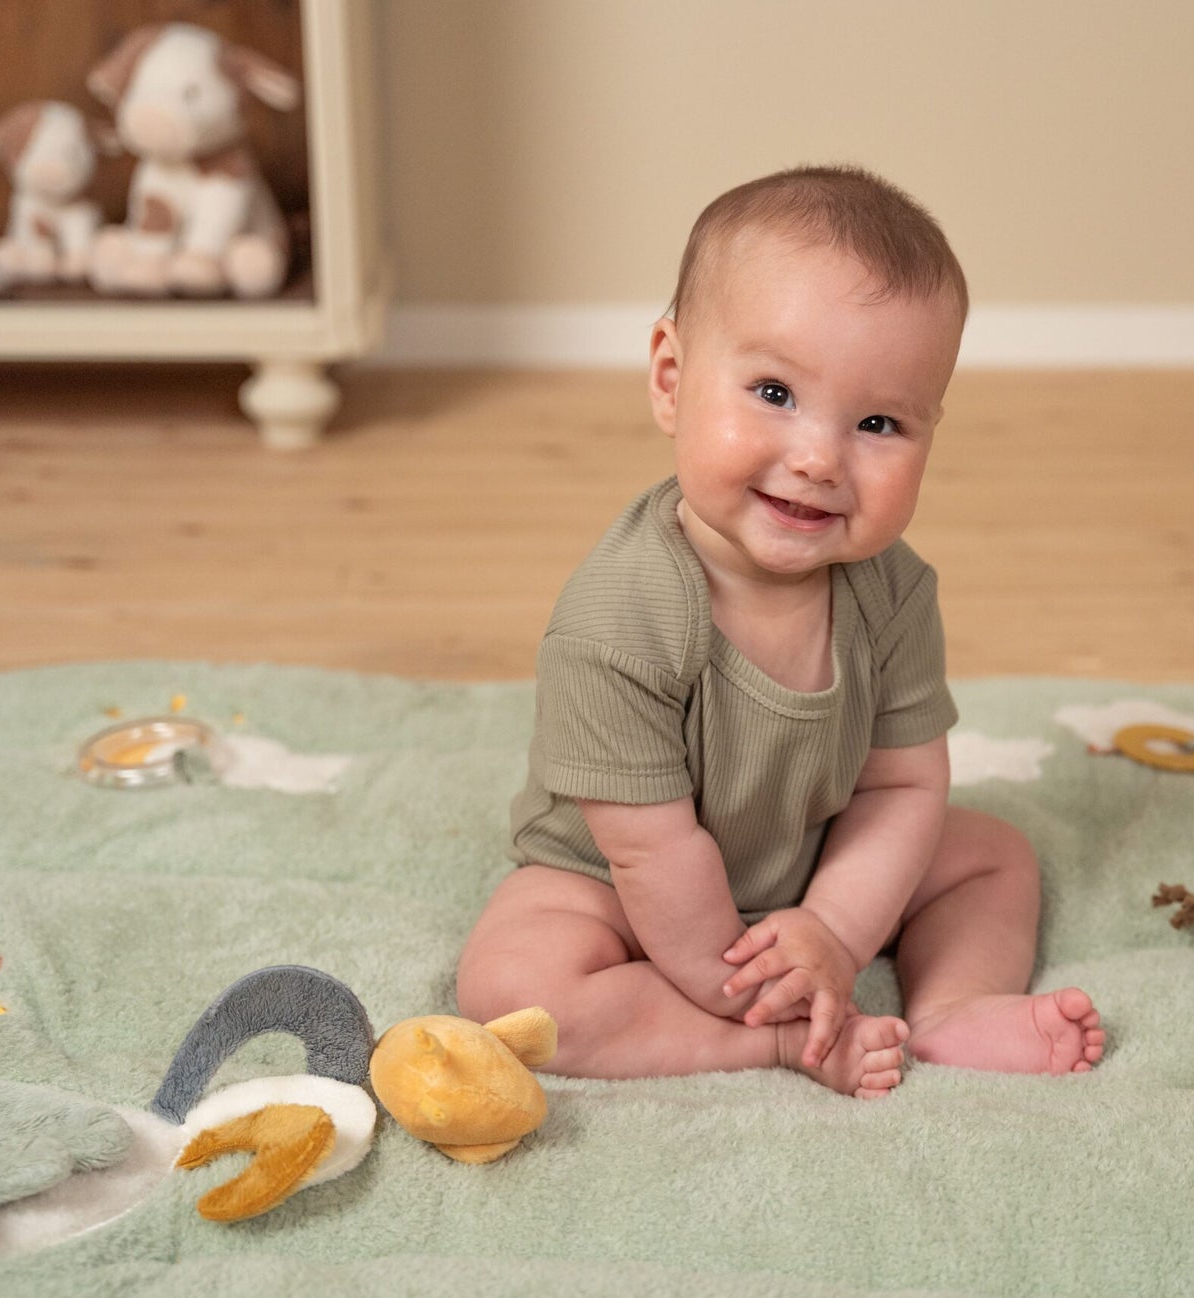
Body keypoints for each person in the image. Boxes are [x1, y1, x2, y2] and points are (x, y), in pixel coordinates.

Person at [457, 164, 1104, 1097]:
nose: (817, 459)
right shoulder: (618, 622)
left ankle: (955, 1007)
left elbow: (903, 783)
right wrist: (769, 997)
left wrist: (835, 932)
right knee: (514, 990)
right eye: (772, 393)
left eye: (878, 421)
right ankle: (764, 1047)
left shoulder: (894, 593)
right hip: (625, 887)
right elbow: (653, 851)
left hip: (816, 848)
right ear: (672, 379)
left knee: (993, 854)